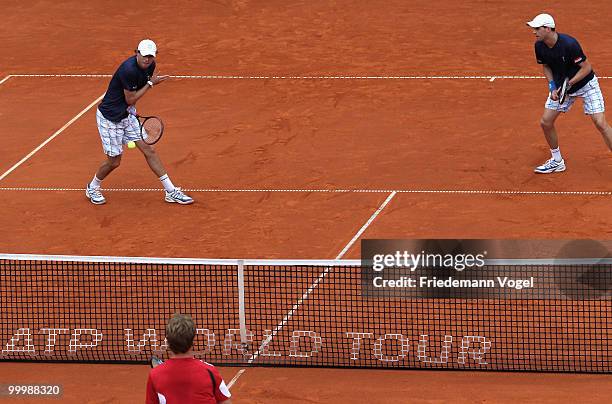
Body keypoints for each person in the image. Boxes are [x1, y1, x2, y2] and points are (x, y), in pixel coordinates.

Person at [86, 39, 194, 204]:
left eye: (150, 56)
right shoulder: (128, 70)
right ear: (136, 52)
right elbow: (130, 98)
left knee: (149, 149)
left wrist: (131, 110)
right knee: (114, 162)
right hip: (110, 118)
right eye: (144, 56)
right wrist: (151, 84)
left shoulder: (150, 66)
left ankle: (170, 191)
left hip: (127, 115)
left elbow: (133, 98)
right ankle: (92, 187)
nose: (147, 60)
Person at [527, 13, 612, 173]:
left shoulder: (569, 44)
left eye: (537, 28)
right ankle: (557, 161)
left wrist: (569, 84)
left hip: (586, 85)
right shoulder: (539, 46)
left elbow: (587, 68)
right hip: (561, 87)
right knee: (546, 122)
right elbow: (546, 66)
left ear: (548, 28)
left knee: (600, 123)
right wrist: (552, 87)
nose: (534, 32)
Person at [146, 313, 232, 403]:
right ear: (192, 341)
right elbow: (226, 402)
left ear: (168, 341)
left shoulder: (154, 375)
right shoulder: (210, 371)